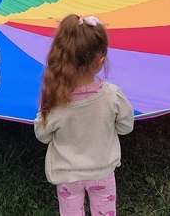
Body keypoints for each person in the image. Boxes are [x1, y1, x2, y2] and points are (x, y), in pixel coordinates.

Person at [34, 14, 134, 216]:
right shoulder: (112, 96)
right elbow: (126, 127)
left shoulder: (55, 101)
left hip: (67, 176)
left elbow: (42, 135)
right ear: (100, 61)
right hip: (102, 172)